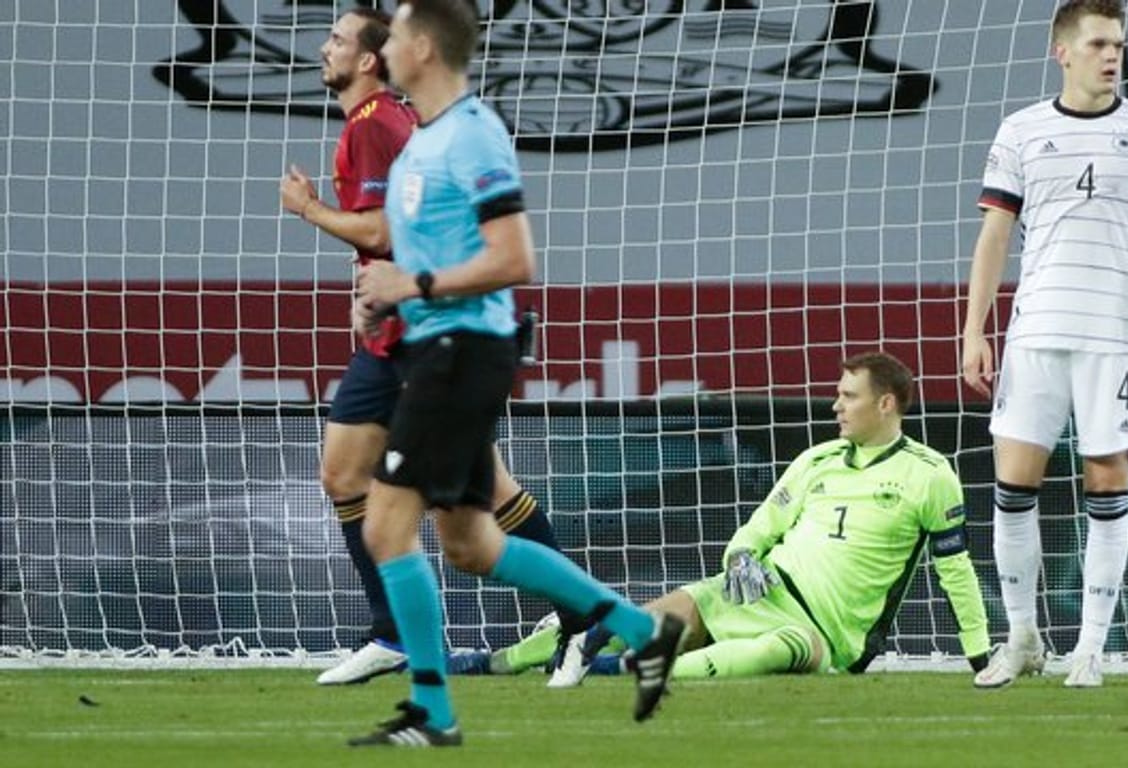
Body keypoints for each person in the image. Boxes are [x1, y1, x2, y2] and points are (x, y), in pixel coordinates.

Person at [345, 0, 686, 747]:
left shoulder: (475, 137)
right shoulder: (420, 143)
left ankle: (433, 712)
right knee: (470, 545)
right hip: (429, 347)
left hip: (464, 350)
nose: (385, 45)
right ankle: (641, 629)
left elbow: (514, 259)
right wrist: (384, 300)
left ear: (424, 48)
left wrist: (414, 288)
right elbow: (419, 251)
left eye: (396, 33)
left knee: (385, 526)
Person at [280, 6, 586, 687]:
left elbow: (386, 233)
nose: (323, 48)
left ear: (372, 58)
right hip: (402, 329)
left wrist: (313, 216)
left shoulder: (387, 127)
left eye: (337, 39)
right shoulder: (384, 125)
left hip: (428, 335)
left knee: (469, 524)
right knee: (354, 478)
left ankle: (587, 619)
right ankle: (400, 634)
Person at [448, 353, 991, 685]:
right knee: (627, 621)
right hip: (756, 594)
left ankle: (616, 671)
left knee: (767, 654)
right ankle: (496, 663)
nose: (836, 406)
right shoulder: (816, 461)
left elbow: (956, 569)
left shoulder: (930, 474)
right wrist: (740, 555)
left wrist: (977, 653)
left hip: (822, 633)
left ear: (888, 404)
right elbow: (760, 526)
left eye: (849, 397)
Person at [960, 0, 1128, 689]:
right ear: (1061, 51)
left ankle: (1090, 648)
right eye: (1097, 43)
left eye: (1117, 43)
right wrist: (975, 330)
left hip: (1112, 338)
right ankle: (1023, 637)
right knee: (1012, 488)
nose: (1111, 54)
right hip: (1034, 334)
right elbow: (994, 237)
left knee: (1108, 484)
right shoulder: (1022, 130)